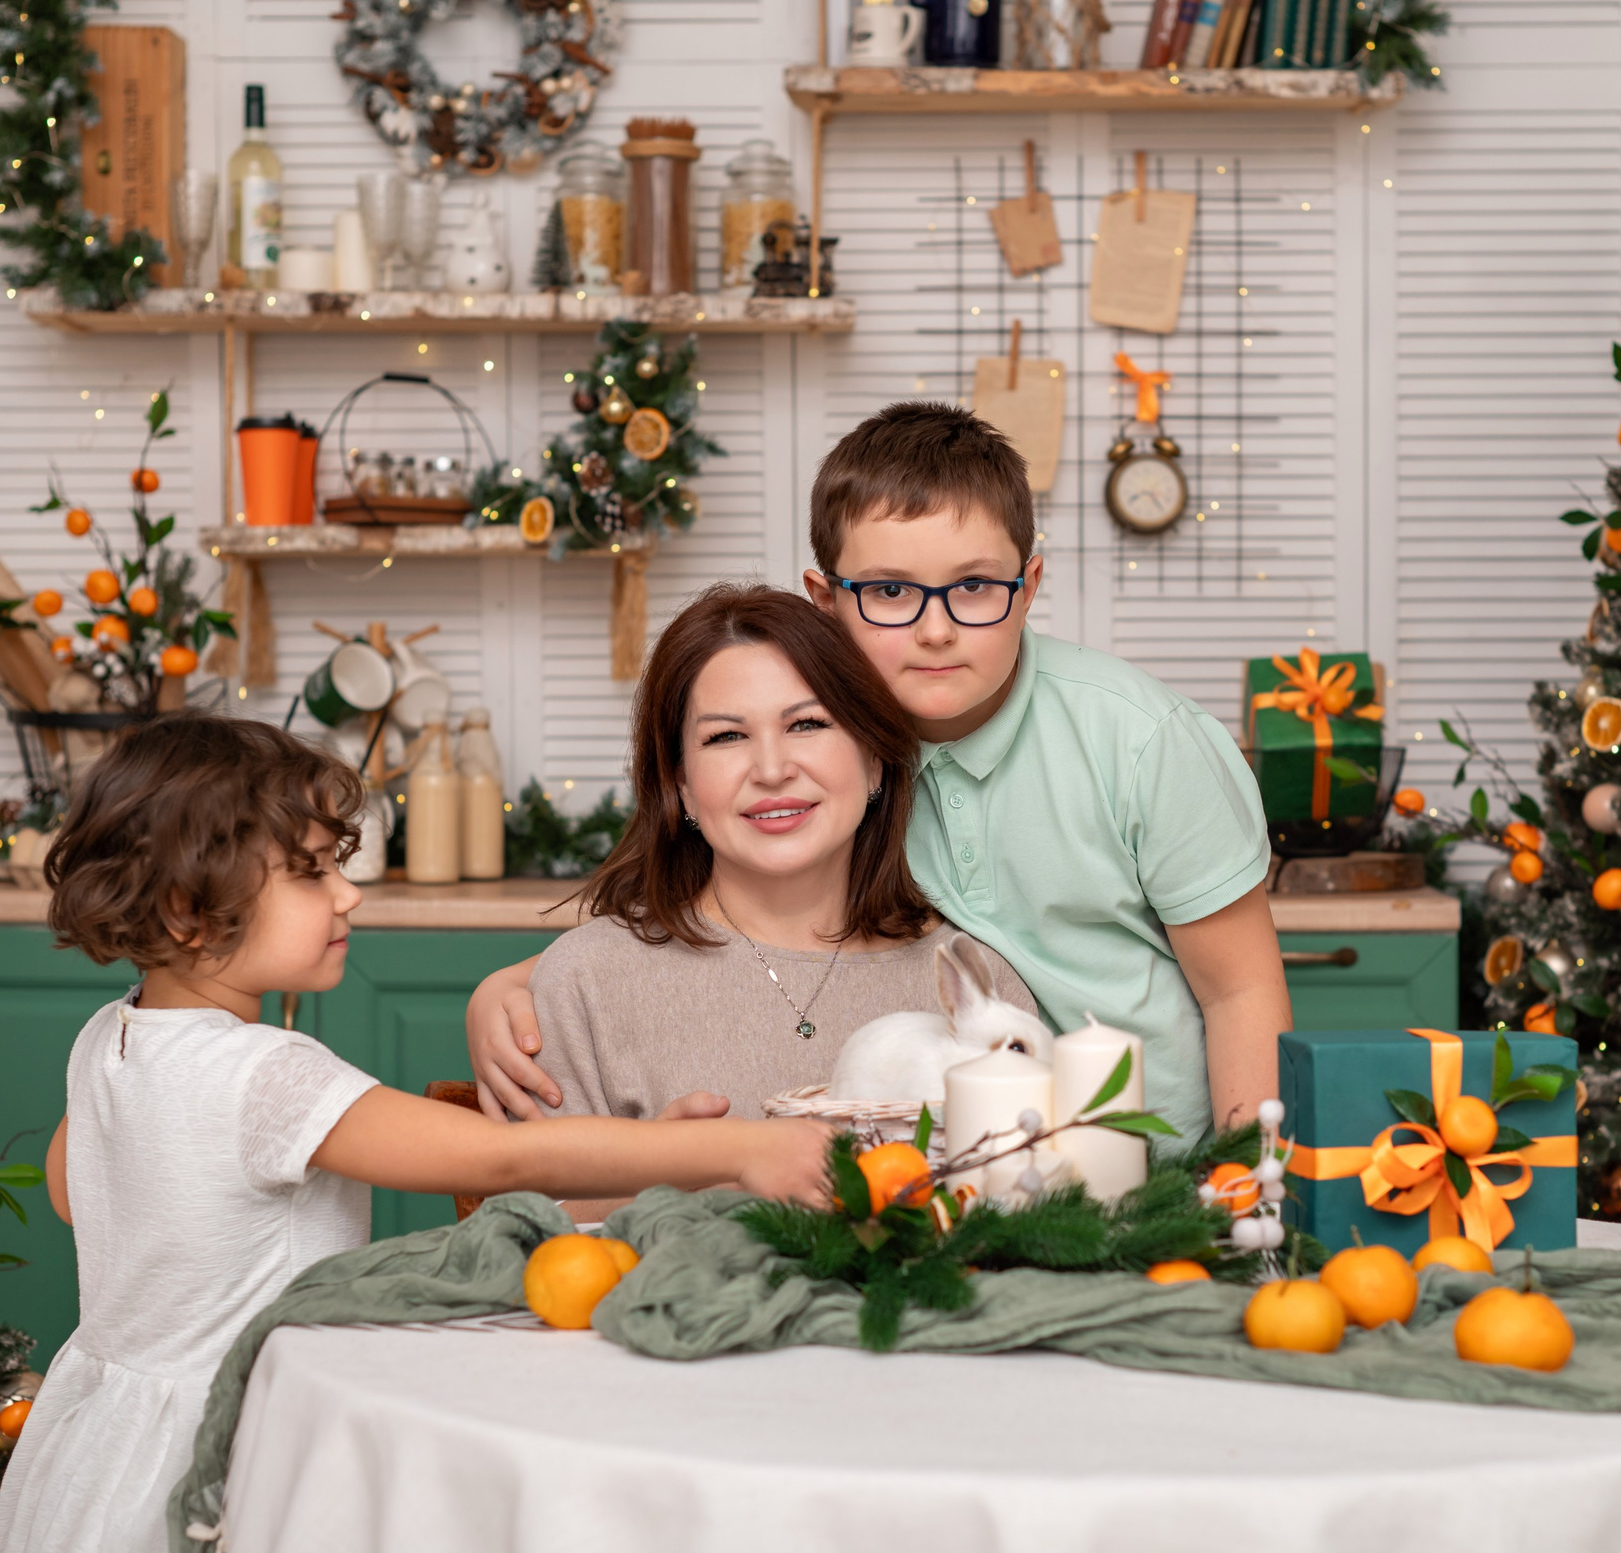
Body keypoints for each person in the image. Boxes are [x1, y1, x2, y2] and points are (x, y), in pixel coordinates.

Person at [0, 713, 830, 1553]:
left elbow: (78, 1193)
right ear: (183, 910)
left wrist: (644, 1158)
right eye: (310, 872)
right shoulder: (265, 1074)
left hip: (100, 1442)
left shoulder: (109, 1038)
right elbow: (494, 1161)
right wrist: (733, 1149)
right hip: (227, 1447)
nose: (350, 891)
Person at [469, 404, 1288, 1143]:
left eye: (973, 586)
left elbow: (1241, 995)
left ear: (1029, 585)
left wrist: (1242, 1192)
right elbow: (717, 926)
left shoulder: (1142, 742)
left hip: (1176, 1167)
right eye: (891, 590)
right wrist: (513, 986)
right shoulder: (843, 752)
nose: (935, 631)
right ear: (826, 600)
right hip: (997, 1167)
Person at [515, 583, 1042, 1126]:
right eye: (725, 737)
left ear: (874, 761)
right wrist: (655, 1179)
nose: (771, 769)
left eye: (807, 724)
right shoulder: (584, 982)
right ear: (683, 786)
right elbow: (536, 1210)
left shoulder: (983, 989)